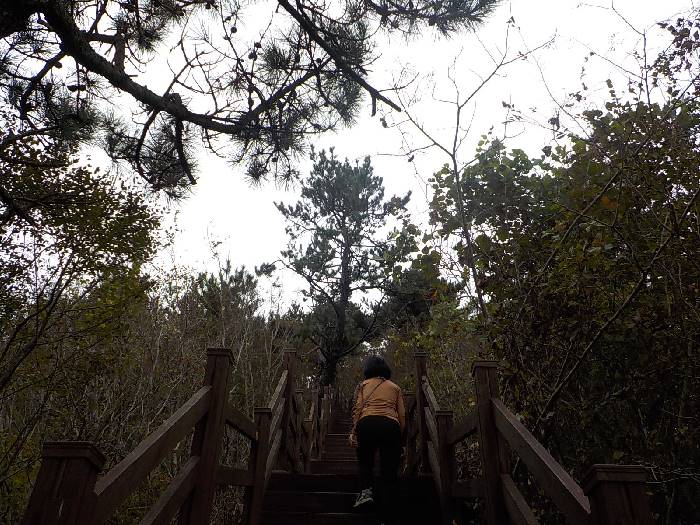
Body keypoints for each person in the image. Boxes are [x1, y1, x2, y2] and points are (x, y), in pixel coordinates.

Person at [350, 355, 406, 523]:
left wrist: (354, 431)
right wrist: (399, 436)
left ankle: (366, 492)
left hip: (366, 423)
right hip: (390, 425)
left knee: (365, 461)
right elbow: (402, 414)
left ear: (367, 369)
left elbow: (357, 408)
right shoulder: (395, 387)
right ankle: (387, 512)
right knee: (389, 470)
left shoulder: (363, 385)